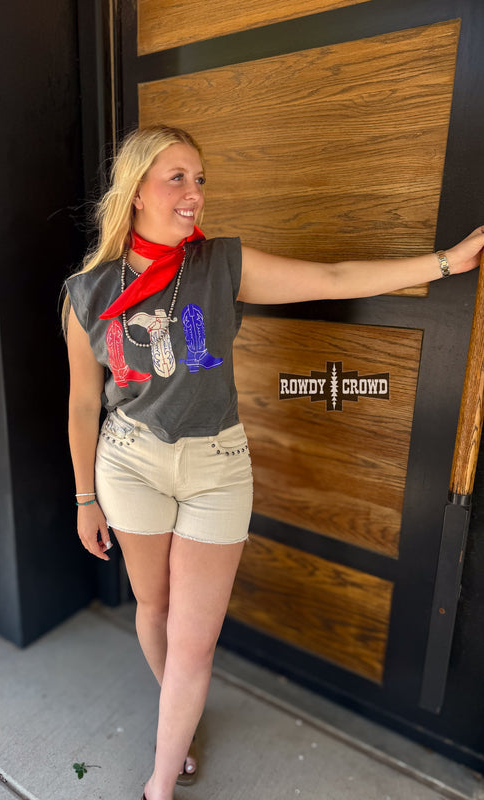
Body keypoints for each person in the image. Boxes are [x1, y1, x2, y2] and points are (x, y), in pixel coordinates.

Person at [63, 124, 484, 800]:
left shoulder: (221, 263)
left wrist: (442, 263)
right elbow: (85, 404)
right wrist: (84, 498)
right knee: (153, 604)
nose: (195, 193)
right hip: (129, 463)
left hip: (216, 468)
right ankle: (181, 727)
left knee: (195, 643)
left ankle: (160, 781)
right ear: (137, 189)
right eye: (177, 178)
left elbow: (333, 277)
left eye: (200, 178)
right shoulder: (86, 291)